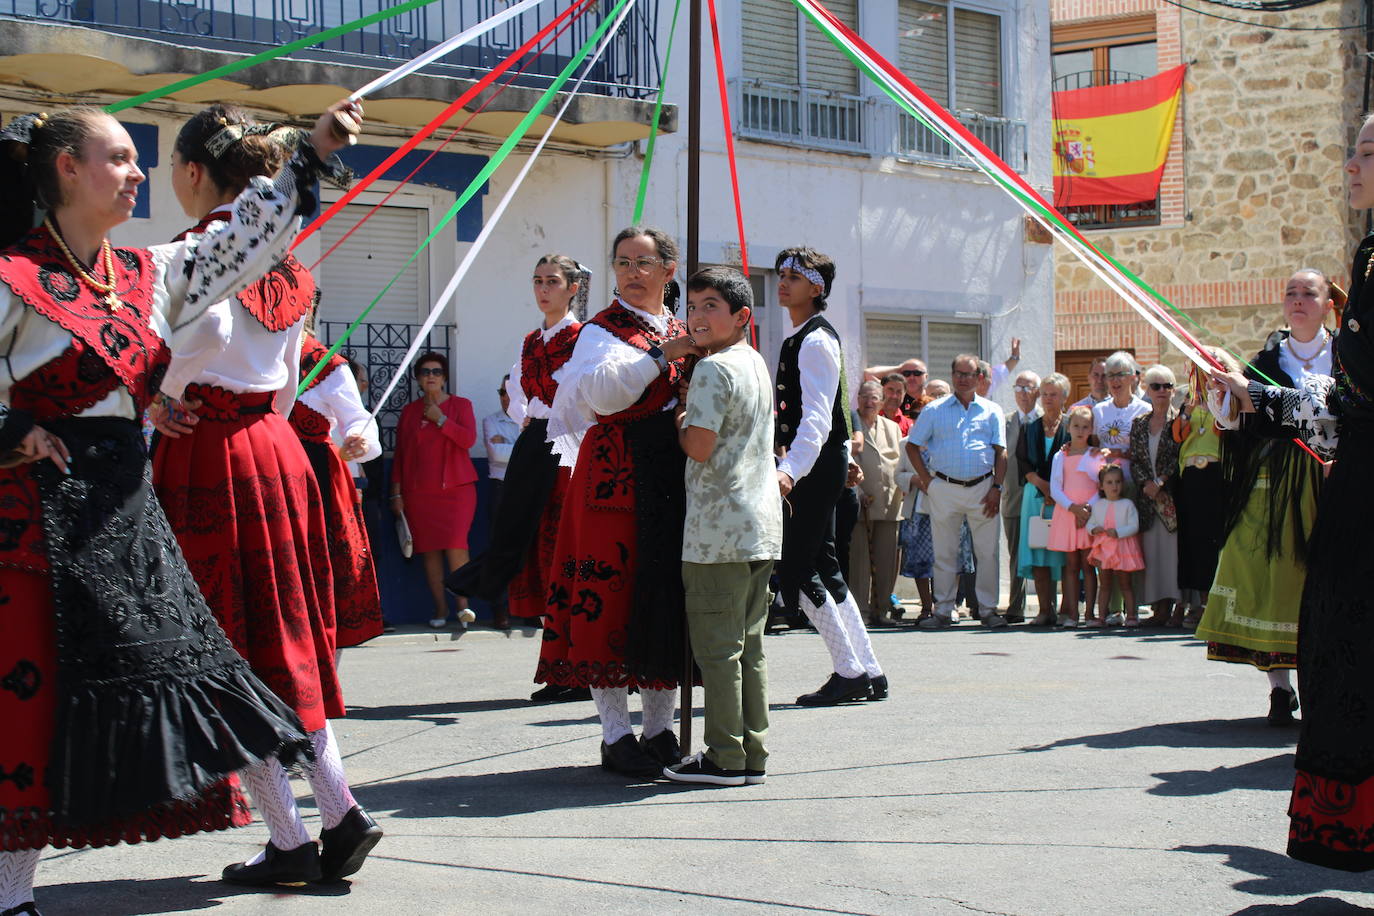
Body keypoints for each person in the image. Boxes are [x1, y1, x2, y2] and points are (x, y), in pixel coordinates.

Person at [0, 104, 363, 913]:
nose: (137, 173)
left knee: (212, 669)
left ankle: (310, 824)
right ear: (65, 169)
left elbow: (241, 241)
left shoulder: (146, 273)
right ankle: (10, 897)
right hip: (31, 522)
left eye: (139, 159)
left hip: (127, 514)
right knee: (28, 707)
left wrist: (311, 150)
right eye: (120, 157)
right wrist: (14, 428)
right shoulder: (12, 275)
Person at [152, 103, 381, 887]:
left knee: (224, 650)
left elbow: (202, 340)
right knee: (280, 639)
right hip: (273, 451)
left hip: (207, 455)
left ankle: (290, 837)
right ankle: (339, 809)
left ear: (191, 173)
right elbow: (287, 382)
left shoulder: (191, 257)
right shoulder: (289, 269)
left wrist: (164, 394)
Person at [1209, 120, 1374, 869]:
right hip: (1307, 476)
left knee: (1344, 640)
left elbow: (1353, 398)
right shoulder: (1270, 350)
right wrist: (1241, 395)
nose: (1351, 165)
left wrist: (1268, 401)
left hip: (1353, 490)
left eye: (1369, 152)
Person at [541, 227, 700, 778]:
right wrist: (663, 356)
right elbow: (606, 396)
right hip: (615, 476)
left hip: (674, 473)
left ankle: (658, 731)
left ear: (669, 269)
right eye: (623, 262)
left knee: (663, 596)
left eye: (644, 262)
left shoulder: (684, 327)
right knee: (608, 593)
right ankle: (615, 735)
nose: (633, 273)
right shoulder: (598, 331)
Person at [1197, 268, 1332, 726]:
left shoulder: (1347, 358)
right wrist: (1224, 394)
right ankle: (1279, 688)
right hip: (1271, 483)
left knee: (1316, 580)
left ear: (1328, 303)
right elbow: (1237, 424)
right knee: (1264, 569)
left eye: (1308, 293)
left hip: (1329, 480)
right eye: (1291, 293)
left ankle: (1320, 688)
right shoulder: (1265, 361)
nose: (1298, 300)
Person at [665, 268, 782, 786]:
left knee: (718, 651)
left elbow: (699, 446)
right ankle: (751, 754)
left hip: (717, 531)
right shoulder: (754, 361)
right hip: (758, 524)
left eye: (711, 306)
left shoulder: (714, 371)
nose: (698, 316)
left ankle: (725, 757)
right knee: (748, 649)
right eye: (693, 306)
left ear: (741, 317)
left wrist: (680, 418)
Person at [449, 255, 587, 683]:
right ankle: (558, 665)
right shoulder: (531, 342)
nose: (543, 289)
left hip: (568, 444)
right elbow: (518, 395)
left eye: (552, 281)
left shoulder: (584, 338)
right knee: (527, 541)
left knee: (563, 548)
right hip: (536, 442)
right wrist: (528, 417)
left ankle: (577, 666)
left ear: (572, 289)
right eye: (538, 281)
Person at [772, 246, 886, 705]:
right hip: (821, 460)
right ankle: (867, 669)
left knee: (797, 571)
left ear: (816, 288)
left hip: (812, 464)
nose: (782, 282)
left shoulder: (815, 339)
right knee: (825, 567)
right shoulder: (805, 335)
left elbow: (817, 418)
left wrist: (789, 472)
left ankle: (849, 669)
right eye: (780, 274)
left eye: (793, 277)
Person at [290, 330, 384, 652]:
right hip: (266, 479)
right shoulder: (254, 352)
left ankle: (324, 668)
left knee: (322, 577)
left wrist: (359, 438)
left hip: (317, 483)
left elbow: (359, 419)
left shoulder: (327, 366)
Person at [907, 354, 1008, 629]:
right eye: (958, 374)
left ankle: (988, 610)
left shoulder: (992, 410)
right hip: (944, 488)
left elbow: (1001, 452)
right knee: (945, 552)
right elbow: (912, 445)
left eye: (969, 374)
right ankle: (943, 611)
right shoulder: (934, 410)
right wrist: (927, 481)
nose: (963, 379)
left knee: (987, 552)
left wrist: (997, 488)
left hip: (984, 488)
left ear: (979, 378)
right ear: (952, 376)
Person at [390, 352, 479, 630]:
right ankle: (440, 608)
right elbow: (401, 455)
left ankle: (463, 608)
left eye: (437, 372)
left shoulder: (461, 405)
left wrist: (441, 420)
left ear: (444, 377)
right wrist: (396, 493)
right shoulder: (409, 412)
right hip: (419, 493)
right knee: (429, 553)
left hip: (457, 490)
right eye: (426, 371)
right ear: (418, 378)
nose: (431, 376)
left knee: (457, 547)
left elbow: (468, 440)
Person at [1174, 361, 1226, 628]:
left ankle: (1217, 606)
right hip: (1192, 476)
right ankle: (1199, 604)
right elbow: (1178, 436)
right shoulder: (1188, 400)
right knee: (1194, 541)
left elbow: (1226, 432)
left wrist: (1216, 406)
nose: (1203, 378)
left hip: (1217, 475)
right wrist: (1187, 413)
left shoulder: (1226, 399)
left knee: (1215, 539)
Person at [1128, 364, 1181, 626]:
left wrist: (1160, 482)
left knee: (1172, 555)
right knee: (1152, 554)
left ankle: (1176, 608)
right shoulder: (1139, 423)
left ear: (1173, 390)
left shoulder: (1181, 421)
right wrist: (1146, 483)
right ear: (1147, 390)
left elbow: (1179, 456)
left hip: (1171, 498)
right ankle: (1158, 609)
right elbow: (1134, 459)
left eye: (1167, 386)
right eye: (1156, 386)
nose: (1161, 391)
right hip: (1147, 499)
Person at [850, 380, 905, 626]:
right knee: (860, 562)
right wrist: (858, 490)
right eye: (864, 397)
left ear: (882, 402)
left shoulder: (892, 428)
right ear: (857, 399)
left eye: (874, 398)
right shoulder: (852, 426)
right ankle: (860, 611)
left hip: (890, 502)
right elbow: (846, 460)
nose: (869, 402)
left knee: (886, 560)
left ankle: (881, 610)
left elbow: (900, 462)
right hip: (862, 502)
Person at [1017, 373, 1070, 625]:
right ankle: (1043, 610)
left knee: (1063, 553)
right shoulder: (1030, 427)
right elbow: (1022, 461)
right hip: (1035, 494)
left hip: (1065, 498)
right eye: (1045, 394)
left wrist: (1056, 491)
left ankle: (1065, 610)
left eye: (1054, 394)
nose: (1048, 399)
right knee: (1038, 551)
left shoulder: (1073, 426)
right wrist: (1043, 486)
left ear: (1064, 397)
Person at [1048, 406, 1102, 627]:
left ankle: (1090, 613)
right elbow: (1055, 487)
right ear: (1068, 427)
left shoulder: (1096, 454)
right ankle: (1072, 614)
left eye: (1085, 426)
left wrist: (1088, 509)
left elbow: (1101, 486)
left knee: (1089, 565)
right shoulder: (1061, 455)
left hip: (1090, 516)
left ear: (1091, 429)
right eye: (1076, 426)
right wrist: (1073, 508)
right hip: (1068, 514)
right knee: (1070, 565)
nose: (1080, 430)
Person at [479, 375, 520, 629]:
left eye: (510, 391)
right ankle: (499, 609)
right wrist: (523, 449)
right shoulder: (490, 421)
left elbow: (543, 454)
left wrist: (509, 446)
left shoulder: (534, 421)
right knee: (498, 549)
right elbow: (496, 454)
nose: (506, 397)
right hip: (501, 489)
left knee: (527, 547)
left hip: (525, 487)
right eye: (501, 392)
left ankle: (528, 608)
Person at [1003, 370, 1041, 622]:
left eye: (1028, 388)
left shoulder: (1047, 420)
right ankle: (1016, 606)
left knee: (1044, 550)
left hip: (1041, 497)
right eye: (1018, 388)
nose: (1023, 394)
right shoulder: (1004, 421)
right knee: (1016, 555)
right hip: (1013, 498)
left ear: (1037, 392)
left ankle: (1048, 607)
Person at [1087, 464, 1143, 625]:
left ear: (1123, 484)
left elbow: (1134, 526)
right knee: (1104, 583)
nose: (1114, 486)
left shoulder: (1127, 504)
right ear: (1101, 486)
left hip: (1122, 548)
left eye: (1117, 482)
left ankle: (1132, 614)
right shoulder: (1098, 505)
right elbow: (1089, 524)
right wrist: (1093, 529)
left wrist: (1119, 532)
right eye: (1109, 482)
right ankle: (1101, 616)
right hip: (1104, 549)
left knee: (1125, 582)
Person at [1092, 351, 1150, 474]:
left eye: (1120, 374)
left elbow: (1146, 452)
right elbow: (1094, 446)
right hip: (1104, 481)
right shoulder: (1098, 410)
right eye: (1111, 375)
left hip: (1133, 480)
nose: (1115, 380)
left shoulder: (1145, 409)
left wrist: (1115, 453)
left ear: (1132, 377)